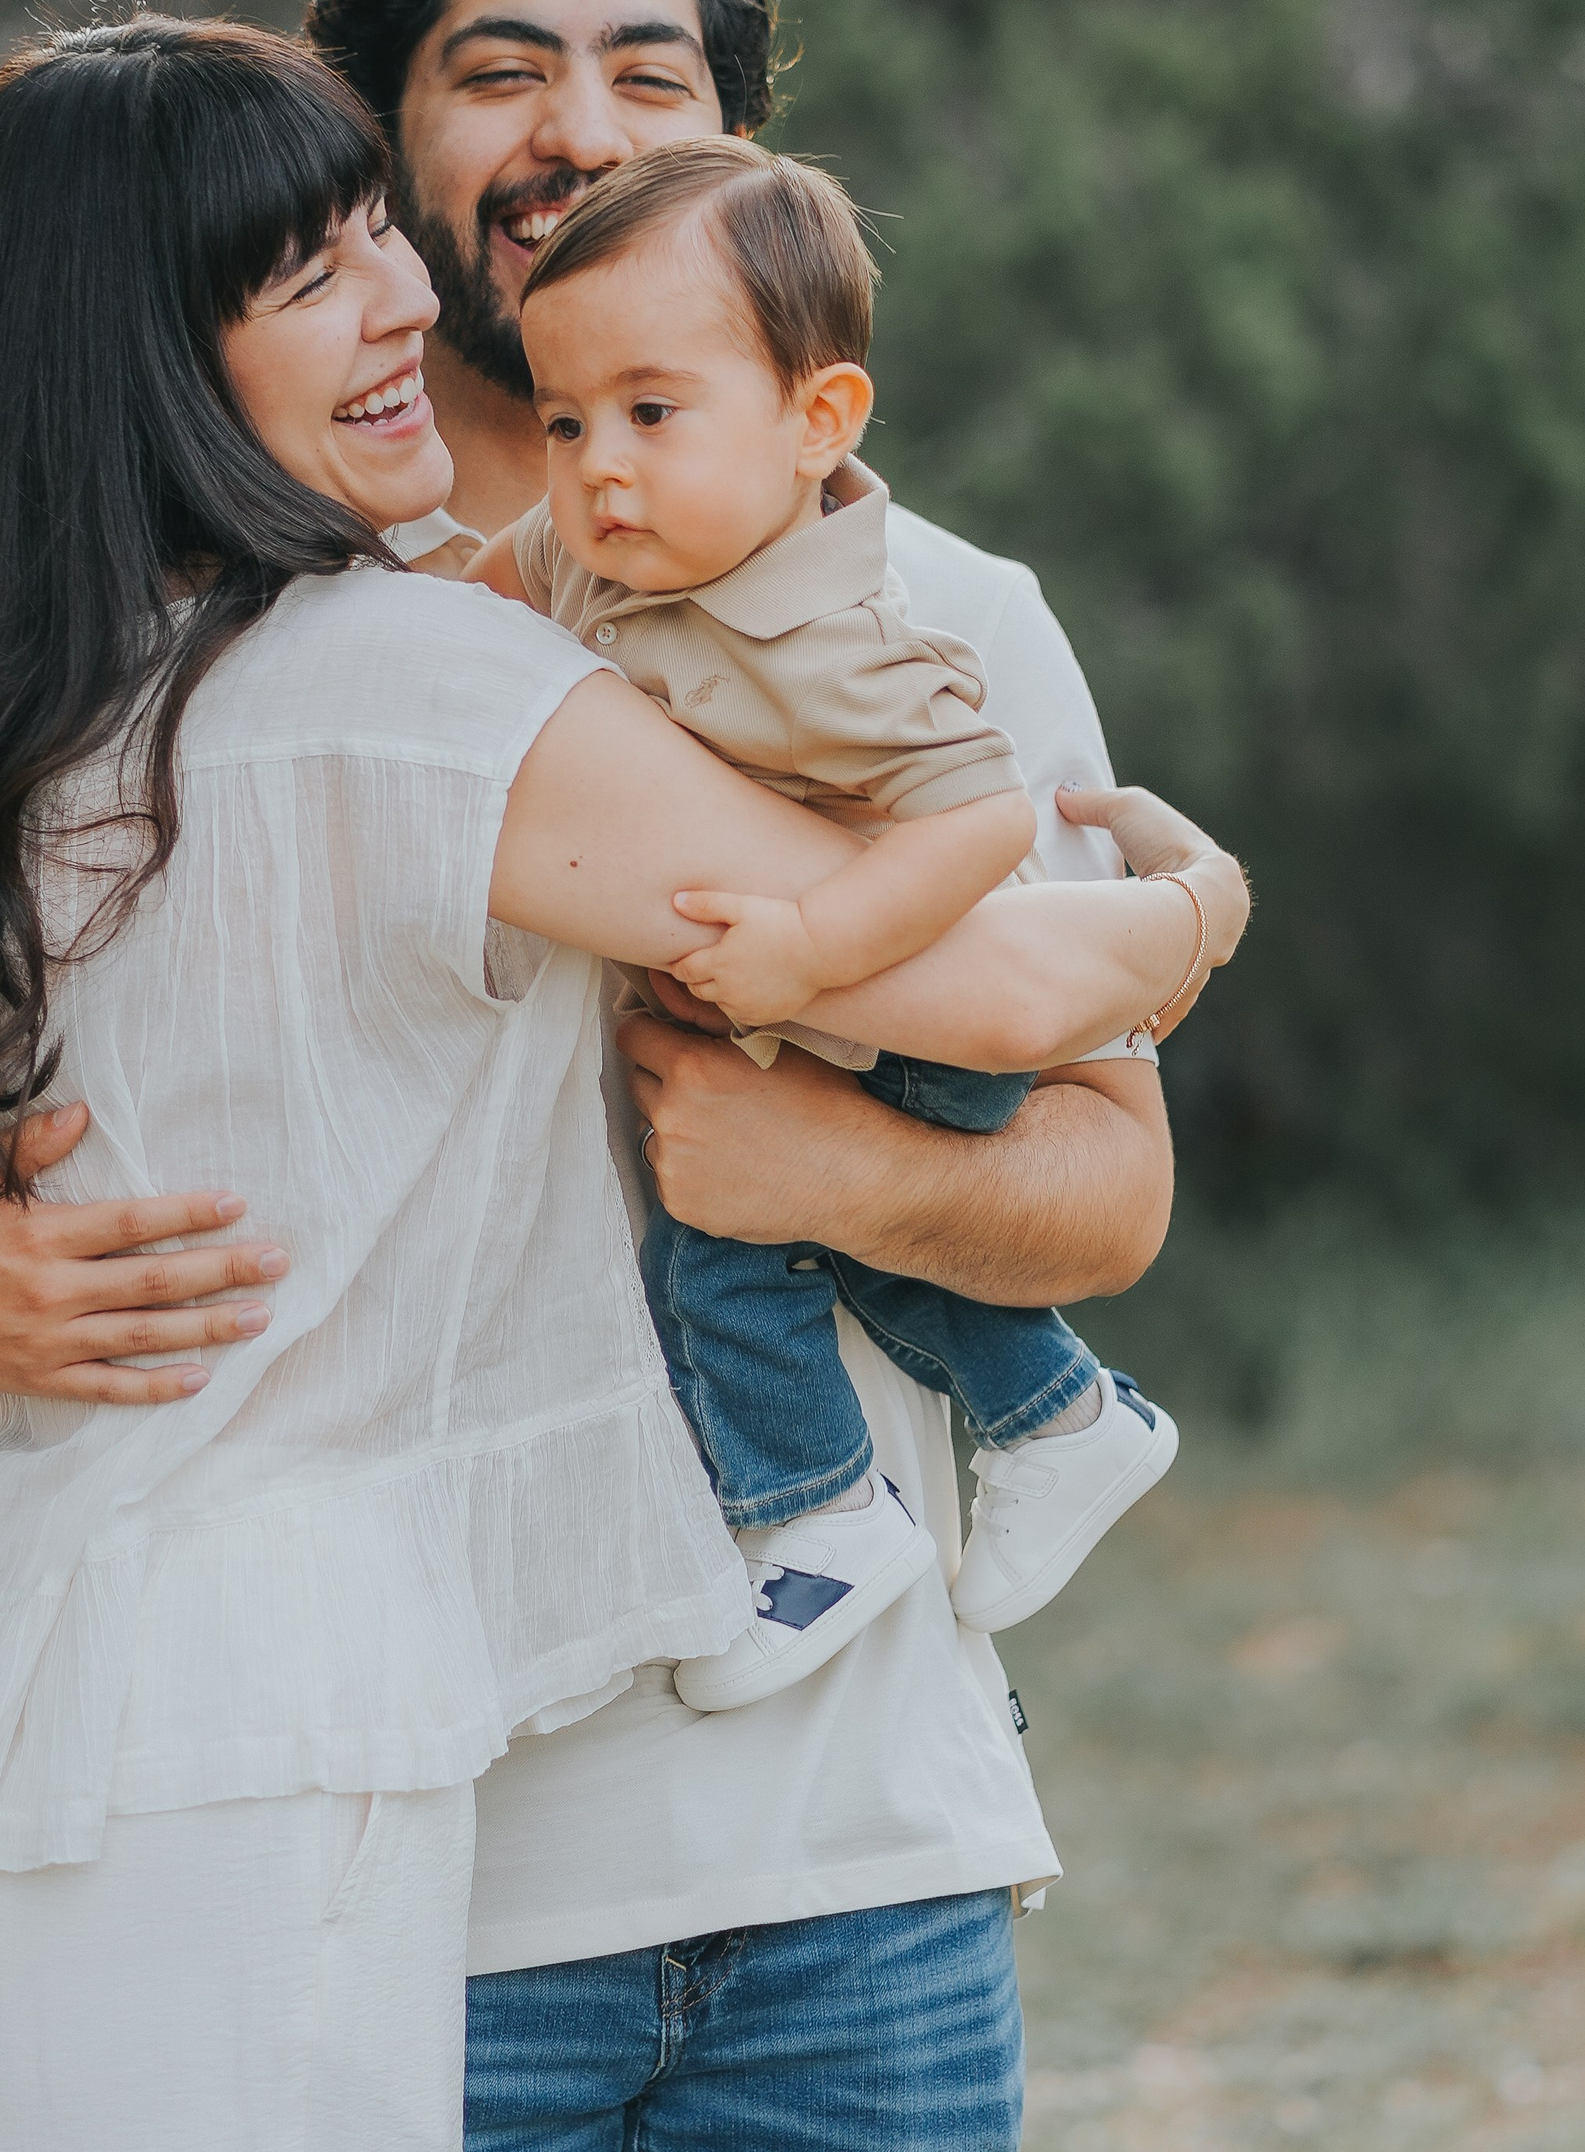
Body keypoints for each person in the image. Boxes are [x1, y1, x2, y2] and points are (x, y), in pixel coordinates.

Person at [0, 0, 1208, 2152]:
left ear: (741, 155)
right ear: (386, 143)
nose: (575, 132)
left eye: (650, 70)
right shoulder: (337, 644)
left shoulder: (922, 613)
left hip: (831, 1833)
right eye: (497, 77)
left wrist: (808, 1169)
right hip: (402, 1827)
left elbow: (1103, 1194)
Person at [471, 138, 1187, 1714]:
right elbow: (483, 596)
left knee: (733, 1260)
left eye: (652, 415)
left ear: (819, 424)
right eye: (566, 421)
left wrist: (815, 947)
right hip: (800, 1016)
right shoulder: (607, 552)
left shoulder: (841, 629)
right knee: (810, 1242)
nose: (598, 466)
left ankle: (820, 1515)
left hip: (901, 1016)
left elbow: (986, 819)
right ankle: (1066, 1424)